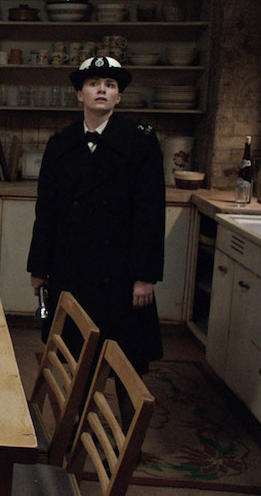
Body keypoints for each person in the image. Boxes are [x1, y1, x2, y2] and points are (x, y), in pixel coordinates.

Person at [27, 55, 164, 379]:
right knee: (74, 358)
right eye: (93, 83)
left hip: (121, 272)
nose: (101, 90)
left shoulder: (140, 142)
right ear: (80, 94)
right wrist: (39, 268)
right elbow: (46, 210)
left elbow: (150, 212)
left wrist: (145, 276)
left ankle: (126, 415)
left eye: (109, 84)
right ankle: (76, 411)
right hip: (71, 268)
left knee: (126, 363)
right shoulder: (61, 143)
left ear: (118, 96)